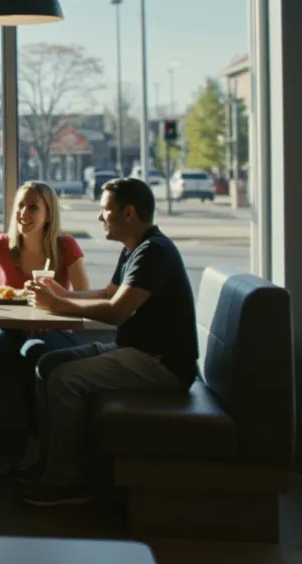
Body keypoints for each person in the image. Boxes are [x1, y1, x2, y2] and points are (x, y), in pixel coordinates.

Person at [18, 177, 199, 507]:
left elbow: (116, 312)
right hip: (137, 353)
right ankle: (48, 462)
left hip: (162, 364)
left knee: (64, 379)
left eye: (104, 210)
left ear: (128, 213)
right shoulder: (135, 248)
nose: (100, 217)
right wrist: (61, 293)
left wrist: (58, 304)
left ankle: (67, 481)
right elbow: (107, 293)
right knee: (48, 363)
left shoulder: (153, 252)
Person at [0, 181, 90, 468]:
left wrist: (53, 310)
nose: (23, 213)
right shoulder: (3, 245)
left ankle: (38, 442)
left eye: (33, 207)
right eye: (20, 206)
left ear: (48, 214)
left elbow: (83, 297)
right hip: (11, 328)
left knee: (35, 353)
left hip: (54, 330)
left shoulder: (66, 246)